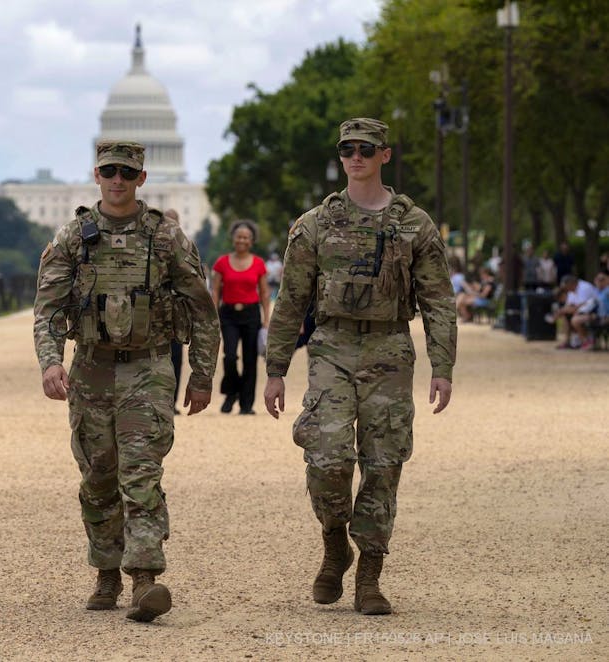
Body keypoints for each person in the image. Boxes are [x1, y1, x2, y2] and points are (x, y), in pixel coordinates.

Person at [263, 118, 457, 616]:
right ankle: (334, 540)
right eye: (348, 149)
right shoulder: (315, 224)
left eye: (366, 149)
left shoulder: (414, 224)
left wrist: (443, 364)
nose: (356, 157)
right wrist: (276, 367)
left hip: (389, 348)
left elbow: (438, 299)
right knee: (326, 456)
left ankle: (369, 572)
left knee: (384, 462)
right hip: (331, 346)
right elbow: (290, 302)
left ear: (384, 155)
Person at [33, 141, 219, 623]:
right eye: (110, 171)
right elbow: (49, 308)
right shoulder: (74, 236)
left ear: (141, 178)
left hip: (149, 366)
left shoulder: (166, 237)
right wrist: (51, 362)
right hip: (91, 368)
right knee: (98, 476)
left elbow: (201, 309)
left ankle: (145, 579)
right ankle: (107, 570)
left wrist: (201, 374)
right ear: (97, 175)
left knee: (141, 472)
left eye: (127, 172)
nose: (118, 179)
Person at [211, 221, 270, 414]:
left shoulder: (259, 263)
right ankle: (230, 393)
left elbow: (264, 293)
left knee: (250, 360)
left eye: (246, 237)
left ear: (251, 241)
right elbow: (215, 291)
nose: (242, 240)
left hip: (251, 314)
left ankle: (246, 404)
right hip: (228, 315)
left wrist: (266, 319)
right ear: (233, 238)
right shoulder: (222, 262)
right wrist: (213, 316)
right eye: (239, 236)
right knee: (229, 356)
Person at [164, 209, 186, 415]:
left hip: (177, 316)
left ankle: (172, 401)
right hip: (157, 315)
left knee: (176, 359)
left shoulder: (185, 249)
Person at [550, 274, 599, 349]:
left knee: (575, 320)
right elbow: (569, 305)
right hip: (582, 312)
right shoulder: (571, 290)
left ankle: (585, 341)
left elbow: (583, 305)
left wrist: (567, 310)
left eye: (566, 287)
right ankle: (567, 341)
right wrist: (560, 312)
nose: (565, 290)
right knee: (564, 316)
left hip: (594, 312)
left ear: (571, 283)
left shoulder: (584, 287)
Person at [569, 271, 609, 350]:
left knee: (575, 320)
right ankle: (587, 341)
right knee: (575, 319)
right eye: (598, 279)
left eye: (602, 279)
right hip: (597, 316)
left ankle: (588, 342)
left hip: (604, 317)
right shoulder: (597, 291)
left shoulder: (607, 291)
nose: (599, 282)